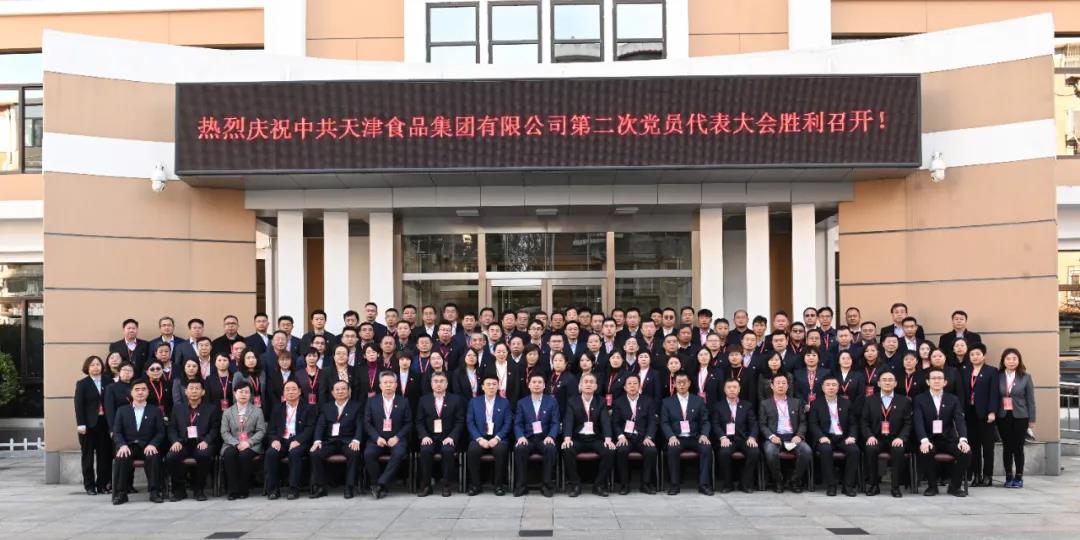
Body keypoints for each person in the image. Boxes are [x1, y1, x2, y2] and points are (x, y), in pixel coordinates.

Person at [914, 367, 971, 497]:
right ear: (928, 382)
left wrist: (963, 439)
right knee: (926, 451)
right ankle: (932, 486)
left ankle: (955, 486)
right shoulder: (920, 399)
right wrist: (924, 440)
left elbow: (960, 420)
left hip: (948, 439)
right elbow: (918, 421)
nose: (936, 381)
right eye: (933, 378)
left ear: (945, 382)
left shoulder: (953, 399)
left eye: (940, 378)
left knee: (966, 452)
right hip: (929, 439)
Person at [111, 378, 166, 505]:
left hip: (147, 446)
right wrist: (122, 445)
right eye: (137, 390)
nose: (140, 392)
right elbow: (117, 432)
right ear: (131, 392)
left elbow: (160, 432)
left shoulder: (155, 410)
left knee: (153, 456)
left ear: (148, 392)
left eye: (143, 389)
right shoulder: (122, 410)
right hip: (128, 446)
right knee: (122, 456)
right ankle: (121, 494)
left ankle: (154, 492)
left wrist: (153, 444)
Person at [561, 373, 615, 497]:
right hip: (578, 438)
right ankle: (575, 485)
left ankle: (598, 485)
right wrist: (567, 438)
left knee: (609, 451)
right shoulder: (572, 401)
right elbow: (568, 420)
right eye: (585, 382)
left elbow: (605, 421)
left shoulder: (601, 401)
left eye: (591, 382)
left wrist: (608, 439)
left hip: (595, 438)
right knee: (567, 449)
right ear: (580, 386)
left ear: (596, 386)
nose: (588, 384)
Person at [165, 378, 219, 502]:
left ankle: (199, 489)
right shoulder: (177, 408)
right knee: (172, 456)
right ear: (186, 391)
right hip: (182, 443)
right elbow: (172, 428)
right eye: (191, 388)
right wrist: (175, 441)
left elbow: (215, 428)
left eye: (197, 388)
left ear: (203, 392)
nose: (194, 391)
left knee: (204, 455)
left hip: (202, 442)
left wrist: (207, 441)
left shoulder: (211, 408)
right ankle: (179, 490)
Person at [660, 371, 713, 496]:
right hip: (677, 437)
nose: (682, 385)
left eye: (684, 382)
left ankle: (704, 485)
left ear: (689, 383)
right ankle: (674, 484)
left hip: (695, 437)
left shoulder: (698, 401)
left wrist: (704, 435)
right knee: (672, 449)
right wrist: (671, 436)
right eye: (679, 382)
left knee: (706, 448)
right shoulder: (667, 402)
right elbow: (664, 422)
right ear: (674, 384)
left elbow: (705, 421)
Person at [861, 371, 911, 498]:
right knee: (870, 448)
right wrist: (869, 436)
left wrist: (901, 438)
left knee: (898, 450)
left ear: (895, 383)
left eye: (890, 380)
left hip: (895, 438)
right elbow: (864, 421)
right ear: (878, 383)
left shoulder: (904, 400)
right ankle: (873, 485)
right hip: (876, 437)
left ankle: (895, 487)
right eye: (884, 380)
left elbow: (908, 423)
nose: (887, 382)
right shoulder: (870, 400)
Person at [310, 380, 364, 499]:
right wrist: (317, 441)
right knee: (315, 454)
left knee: (354, 453)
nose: (340, 391)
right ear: (333, 393)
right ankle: (320, 487)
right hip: (330, 441)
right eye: (337, 389)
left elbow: (360, 425)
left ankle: (349, 487)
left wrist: (356, 440)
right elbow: (320, 425)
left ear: (349, 391)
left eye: (343, 389)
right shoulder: (326, 407)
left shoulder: (356, 406)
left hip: (348, 441)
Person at [364, 370, 413, 499]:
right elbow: (367, 423)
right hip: (377, 439)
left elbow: (408, 423)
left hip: (396, 439)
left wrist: (397, 437)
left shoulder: (404, 401)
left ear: (396, 385)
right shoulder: (372, 401)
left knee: (399, 453)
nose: (388, 385)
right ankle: (377, 483)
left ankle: (380, 484)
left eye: (391, 382)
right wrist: (377, 437)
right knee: (368, 454)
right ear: (380, 385)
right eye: (385, 382)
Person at [808, 376, 860, 497]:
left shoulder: (846, 402)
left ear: (838, 387)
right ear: (822, 388)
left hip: (843, 437)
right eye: (828, 385)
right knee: (826, 450)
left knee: (854, 450)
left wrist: (852, 436)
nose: (831, 387)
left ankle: (848, 486)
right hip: (826, 437)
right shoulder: (816, 403)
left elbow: (853, 423)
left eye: (834, 385)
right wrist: (820, 436)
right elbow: (813, 423)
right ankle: (831, 485)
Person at [264, 380, 316, 500]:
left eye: (293, 389)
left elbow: (310, 428)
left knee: (294, 453)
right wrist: (274, 440)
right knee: (271, 453)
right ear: (283, 393)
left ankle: (293, 489)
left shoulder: (308, 408)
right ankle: (273, 490)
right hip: (281, 440)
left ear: (299, 391)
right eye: (287, 390)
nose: (290, 392)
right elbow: (271, 429)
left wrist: (298, 440)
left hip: (299, 441)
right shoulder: (277, 408)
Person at [416, 372, 465, 497]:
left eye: (441, 381)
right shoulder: (424, 400)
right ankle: (426, 485)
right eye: (436, 381)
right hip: (430, 437)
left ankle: (446, 485)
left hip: (448, 437)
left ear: (447, 384)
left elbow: (460, 421)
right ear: (431, 384)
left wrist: (452, 437)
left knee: (448, 451)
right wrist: (424, 436)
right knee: (425, 450)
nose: (439, 384)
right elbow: (419, 421)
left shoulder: (456, 400)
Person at [759, 375, 811, 493]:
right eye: (778, 383)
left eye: (784, 383)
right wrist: (772, 436)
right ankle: (778, 481)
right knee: (770, 452)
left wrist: (799, 435)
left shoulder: (796, 402)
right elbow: (762, 425)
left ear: (788, 386)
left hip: (793, 437)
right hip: (775, 437)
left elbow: (803, 422)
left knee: (806, 451)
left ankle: (794, 480)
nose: (781, 385)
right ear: (772, 386)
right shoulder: (765, 404)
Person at [513, 374, 560, 497]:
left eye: (540, 382)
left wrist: (551, 436)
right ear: (529, 385)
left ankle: (546, 485)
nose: (537, 384)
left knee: (550, 449)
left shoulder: (552, 401)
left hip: (544, 438)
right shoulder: (522, 402)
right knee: (520, 448)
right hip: (527, 438)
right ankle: (521, 486)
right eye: (534, 382)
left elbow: (555, 422)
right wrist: (520, 437)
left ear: (544, 386)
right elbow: (517, 423)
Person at [611, 373, 658, 495]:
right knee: (621, 451)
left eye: (635, 383)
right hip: (626, 437)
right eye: (629, 384)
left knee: (651, 451)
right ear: (625, 387)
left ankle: (645, 483)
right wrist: (620, 436)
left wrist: (649, 437)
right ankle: (624, 484)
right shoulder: (618, 402)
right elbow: (615, 423)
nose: (632, 386)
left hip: (642, 437)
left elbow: (652, 422)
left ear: (639, 386)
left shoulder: (648, 401)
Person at [466, 375, 512, 496]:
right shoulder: (474, 402)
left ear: (498, 386)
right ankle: (476, 485)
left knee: (500, 451)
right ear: (482, 387)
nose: (491, 387)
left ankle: (498, 485)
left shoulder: (505, 402)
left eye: (494, 384)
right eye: (488, 384)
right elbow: (470, 422)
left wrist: (497, 438)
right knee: (473, 450)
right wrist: (479, 439)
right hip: (479, 437)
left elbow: (508, 423)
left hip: (498, 437)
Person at [711, 378, 760, 494]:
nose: (732, 390)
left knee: (754, 451)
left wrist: (752, 437)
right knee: (724, 453)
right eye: (729, 387)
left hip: (744, 439)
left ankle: (745, 483)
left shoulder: (747, 405)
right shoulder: (718, 406)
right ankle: (728, 484)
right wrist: (722, 437)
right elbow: (715, 424)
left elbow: (754, 424)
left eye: (734, 387)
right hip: (727, 439)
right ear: (724, 390)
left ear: (739, 389)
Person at [961, 343, 999, 487]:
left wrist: (992, 411)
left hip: (986, 414)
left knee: (988, 447)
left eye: (978, 354)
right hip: (970, 413)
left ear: (984, 355)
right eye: (972, 354)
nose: (975, 357)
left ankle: (988, 476)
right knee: (973, 446)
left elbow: (994, 393)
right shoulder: (965, 371)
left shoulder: (991, 371)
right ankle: (976, 475)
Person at [220, 381, 267, 500]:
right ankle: (232, 490)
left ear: (250, 395)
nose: (243, 395)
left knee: (244, 456)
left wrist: (248, 443)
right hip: (232, 443)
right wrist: (236, 443)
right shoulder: (227, 412)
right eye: (240, 392)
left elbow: (261, 431)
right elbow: (224, 432)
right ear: (235, 393)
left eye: (246, 392)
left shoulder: (257, 411)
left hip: (251, 444)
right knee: (229, 454)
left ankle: (243, 489)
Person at [997, 348, 1036, 488]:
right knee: (1007, 447)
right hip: (1003, 416)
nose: (1011, 361)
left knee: (1018, 447)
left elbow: (1031, 400)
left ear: (1019, 360)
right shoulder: (998, 376)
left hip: (1021, 416)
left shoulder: (1025, 377)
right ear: (1003, 361)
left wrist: (1032, 419)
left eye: (1014, 358)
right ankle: (1008, 476)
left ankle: (1019, 477)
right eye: (1008, 359)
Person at [74, 355, 111, 496]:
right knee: (88, 456)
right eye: (92, 365)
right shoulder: (82, 383)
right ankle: (89, 486)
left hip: (104, 423)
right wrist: (81, 424)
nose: (96, 367)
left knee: (104, 456)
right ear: (87, 368)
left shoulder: (108, 381)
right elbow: (78, 405)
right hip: (88, 426)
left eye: (98, 364)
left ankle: (102, 485)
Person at [104, 362, 135, 431]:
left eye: (130, 370)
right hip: (120, 422)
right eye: (124, 370)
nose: (127, 372)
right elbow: (110, 410)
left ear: (133, 374)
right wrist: (112, 429)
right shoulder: (111, 387)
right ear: (119, 372)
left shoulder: (136, 387)